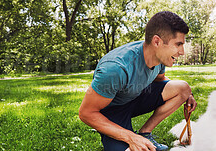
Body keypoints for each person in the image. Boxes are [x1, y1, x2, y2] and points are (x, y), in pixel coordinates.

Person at [79, 11, 197, 151]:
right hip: (111, 111)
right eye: (178, 44)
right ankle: (131, 138)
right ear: (157, 41)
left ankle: (145, 133)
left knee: (183, 88)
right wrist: (130, 137)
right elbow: (86, 113)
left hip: (136, 96)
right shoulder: (115, 68)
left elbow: (161, 81)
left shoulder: (160, 57)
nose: (182, 51)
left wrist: (187, 96)